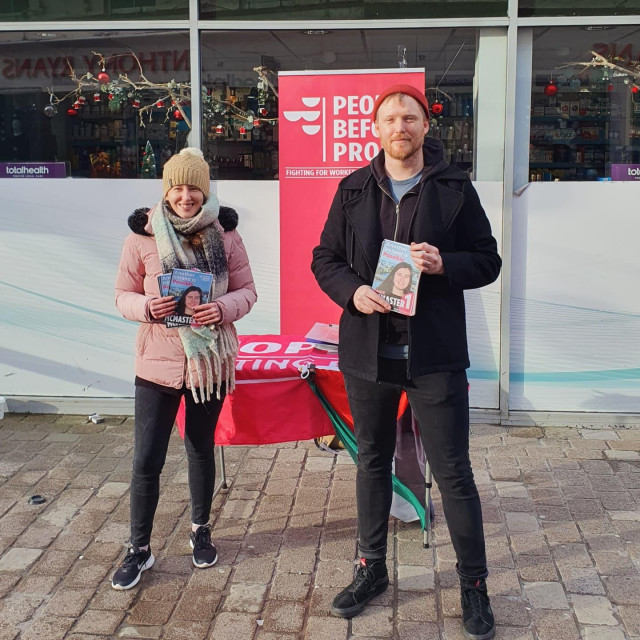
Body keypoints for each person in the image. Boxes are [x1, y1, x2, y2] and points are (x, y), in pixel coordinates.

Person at [311, 84, 501, 640]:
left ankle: (473, 584)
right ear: (376, 129)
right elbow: (324, 258)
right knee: (372, 460)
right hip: (368, 352)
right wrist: (351, 291)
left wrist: (444, 264)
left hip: (434, 354)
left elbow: (487, 259)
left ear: (424, 127)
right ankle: (371, 569)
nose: (401, 126)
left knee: (453, 471)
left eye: (410, 118)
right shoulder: (351, 190)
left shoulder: (454, 188)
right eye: (391, 118)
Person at [113, 147, 257, 590]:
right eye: (176, 187)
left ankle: (200, 529)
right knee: (146, 459)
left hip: (208, 362)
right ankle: (140, 547)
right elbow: (121, 294)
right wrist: (145, 307)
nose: (185, 195)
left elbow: (249, 291)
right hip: (156, 363)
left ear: (205, 189)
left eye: (193, 187)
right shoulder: (143, 236)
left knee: (199, 447)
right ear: (166, 189)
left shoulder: (226, 234)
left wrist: (222, 307)